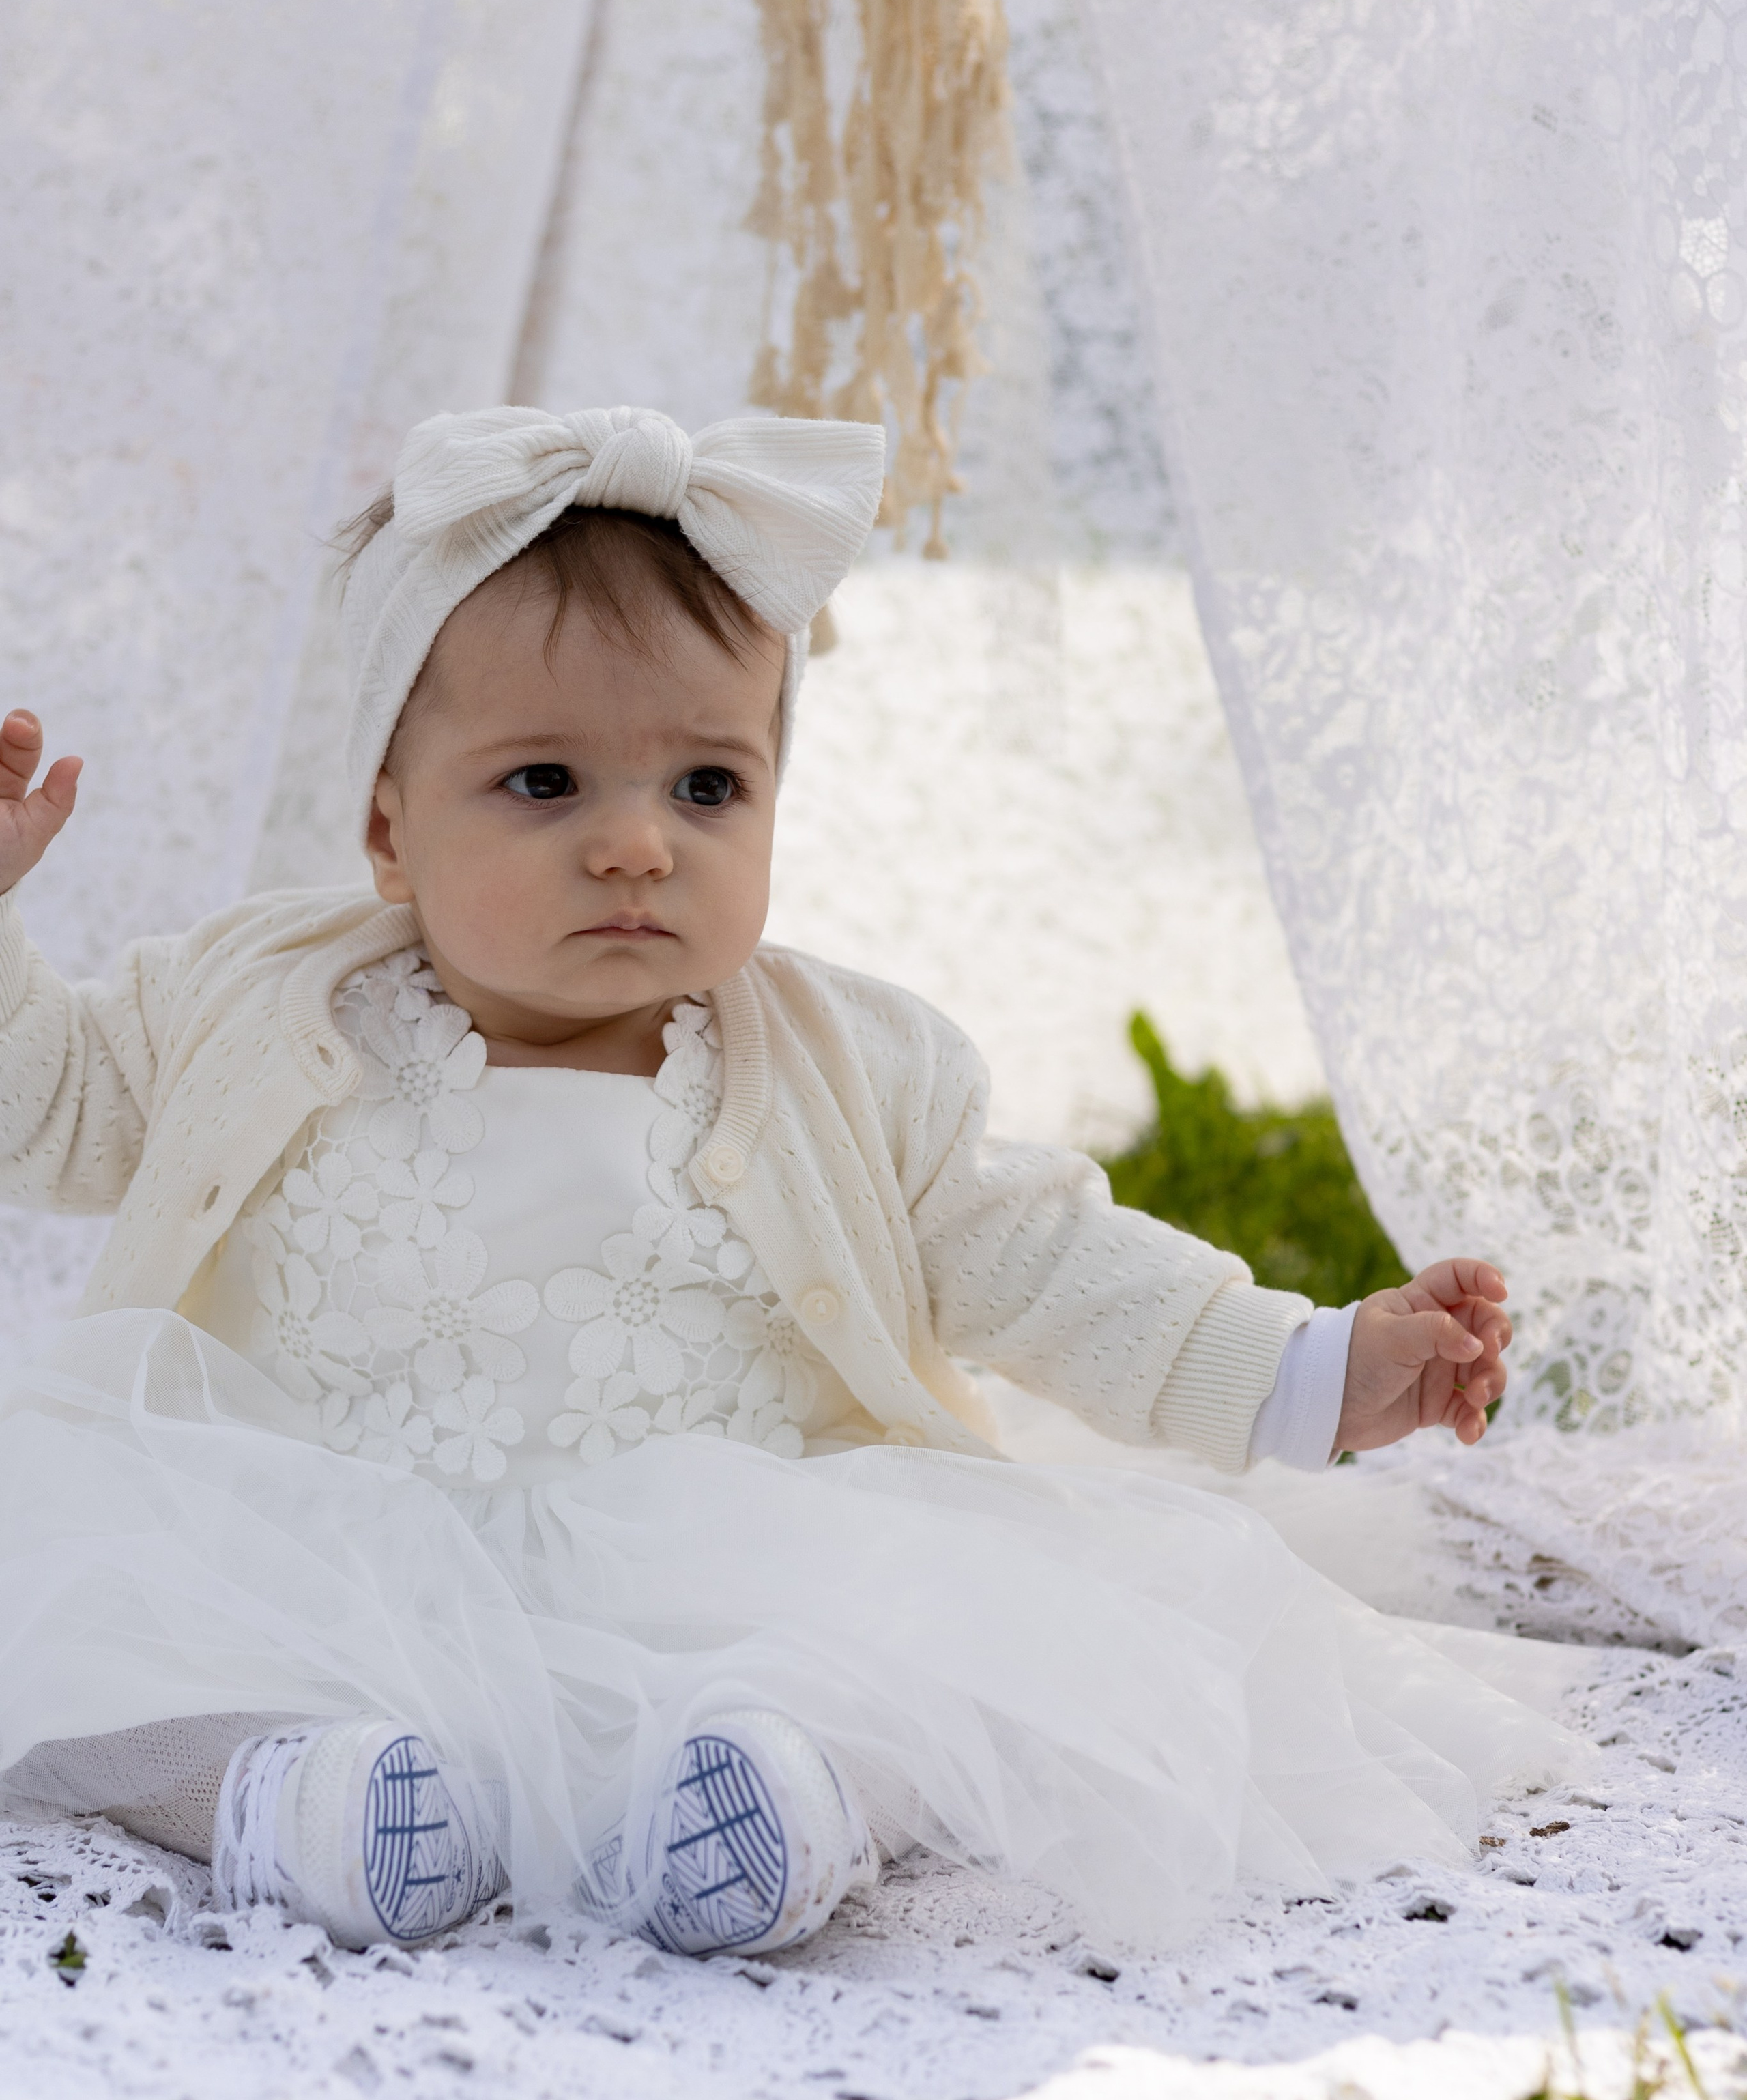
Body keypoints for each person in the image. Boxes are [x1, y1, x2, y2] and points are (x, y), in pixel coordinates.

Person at [0, 404, 1565, 1961]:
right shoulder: (252, 1001)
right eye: (545, 782)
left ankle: (785, 1800)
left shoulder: (848, 1065)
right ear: (386, 828)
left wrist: (1306, 1369)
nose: (634, 847)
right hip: (321, 1555)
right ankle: (292, 1799)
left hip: (733, 1572)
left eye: (705, 788)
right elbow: (49, 1109)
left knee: (948, 1650)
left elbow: (1041, 1261)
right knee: (97, 1632)